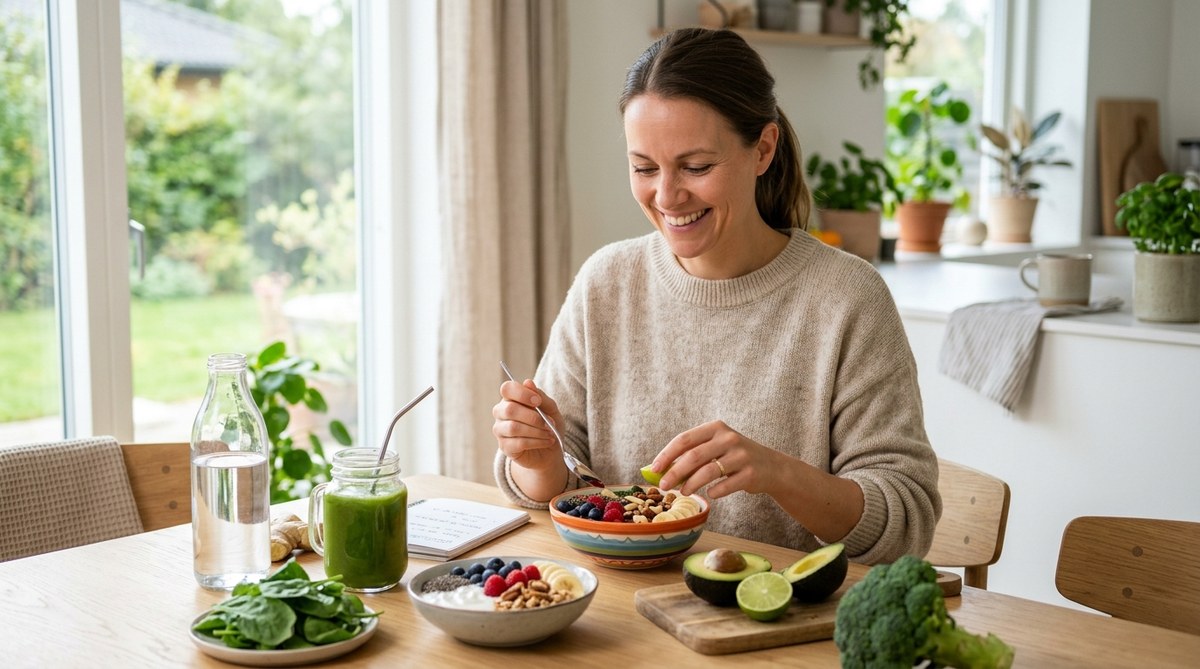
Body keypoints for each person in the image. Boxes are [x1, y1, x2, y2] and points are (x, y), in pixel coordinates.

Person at [492, 28, 940, 564]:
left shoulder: (847, 297)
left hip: (778, 621)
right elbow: (560, 489)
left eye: (696, 167)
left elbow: (905, 524)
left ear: (763, 150)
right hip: (616, 615)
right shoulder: (605, 283)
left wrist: (778, 473)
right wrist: (539, 460)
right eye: (644, 168)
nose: (667, 196)